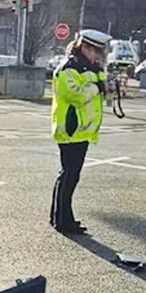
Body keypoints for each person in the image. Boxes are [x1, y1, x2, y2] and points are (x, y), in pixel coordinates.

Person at [49, 29, 110, 234]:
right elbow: (76, 96)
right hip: (71, 129)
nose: (97, 56)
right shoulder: (69, 68)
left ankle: (61, 217)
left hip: (81, 130)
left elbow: (101, 92)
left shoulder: (90, 68)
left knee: (70, 175)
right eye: (95, 52)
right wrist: (96, 87)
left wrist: (101, 80)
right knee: (68, 176)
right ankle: (62, 220)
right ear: (84, 47)